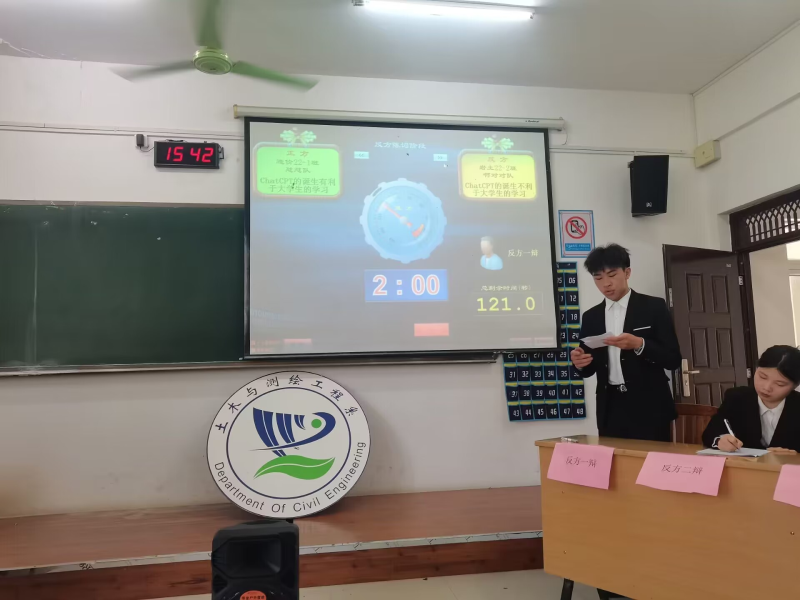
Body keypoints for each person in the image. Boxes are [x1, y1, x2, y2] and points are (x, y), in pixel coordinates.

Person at [570, 244, 682, 442]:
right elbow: (588, 369)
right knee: (615, 460)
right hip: (610, 407)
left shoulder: (653, 307)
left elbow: (673, 359)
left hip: (650, 406)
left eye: (612, 275)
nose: (606, 284)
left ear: (627, 272)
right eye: (598, 278)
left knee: (651, 460)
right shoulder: (591, 317)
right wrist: (579, 363)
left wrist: (640, 344)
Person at [702, 345, 800, 454]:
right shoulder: (737, 397)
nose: (766, 388)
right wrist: (720, 440)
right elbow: (710, 433)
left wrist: (795, 455)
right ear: (756, 369)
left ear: (795, 385)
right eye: (762, 377)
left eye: (780, 384)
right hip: (745, 464)